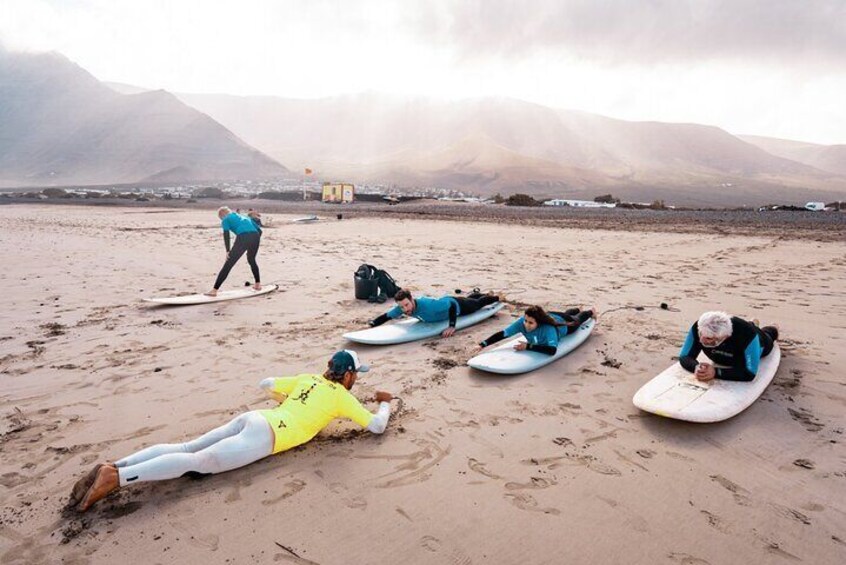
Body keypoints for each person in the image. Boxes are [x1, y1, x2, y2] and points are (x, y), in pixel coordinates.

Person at [69, 351, 394, 512]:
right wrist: (386, 404)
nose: (357, 379)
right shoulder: (342, 397)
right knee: (197, 461)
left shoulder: (308, 377)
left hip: (255, 418)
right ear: (348, 375)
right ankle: (119, 479)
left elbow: (266, 384)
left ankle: (116, 465)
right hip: (267, 437)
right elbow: (377, 427)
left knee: (186, 448)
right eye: (357, 374)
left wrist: (289, 400)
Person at [679, 311, 779, 382]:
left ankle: (771, 327)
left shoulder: (748, 335)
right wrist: (696, 367)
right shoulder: (699, 326)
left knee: (768, 334)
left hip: (756, 343)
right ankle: (752, 323)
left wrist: (716, 372)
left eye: (709, 339)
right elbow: (684, 356)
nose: (702, 341)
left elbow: (750, 373)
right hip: (723, 349)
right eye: (701, 335)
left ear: (725, 337)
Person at [369, 288, 500, 338]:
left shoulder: (429, 305)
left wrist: (452, 326)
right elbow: (386, 316)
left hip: (458, 306)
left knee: (477, 304)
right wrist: (373, 324)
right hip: (448, 302)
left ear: (411, 300)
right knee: (472, 298)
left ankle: (496, 298)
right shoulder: (402, 307)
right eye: (402, 307)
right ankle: (475, 294)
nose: (405, 309)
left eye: (406, 305)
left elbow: (452, 306)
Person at [478, 305, 596, 355]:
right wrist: (483, 344)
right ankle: (576, 308)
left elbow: (552, 350)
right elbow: (503, 334)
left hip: (564, 325)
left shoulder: (548, 329)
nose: (526, 325)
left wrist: (528, 346)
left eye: (530, 323)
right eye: (525, 320)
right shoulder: (522, 323)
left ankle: (590, 312)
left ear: (539, 322)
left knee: (576, 320)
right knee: (566, 314)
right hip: (552, 315)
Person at [206, 206, 262, 297]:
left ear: (222, 215)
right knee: (251, 260)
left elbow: (226, 234)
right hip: (255, 236)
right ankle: (257, 285)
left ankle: (214, 290)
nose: (221, 220)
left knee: (228, 264)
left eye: (220, 218)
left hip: (243, 237)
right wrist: (252, 242)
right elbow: (259, 231)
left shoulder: (225, 219)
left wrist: (228, 250)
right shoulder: (244, 217)